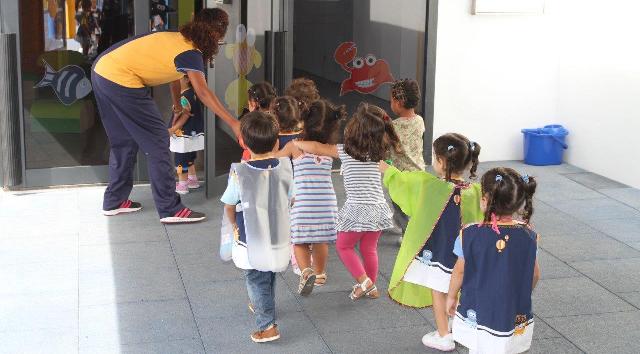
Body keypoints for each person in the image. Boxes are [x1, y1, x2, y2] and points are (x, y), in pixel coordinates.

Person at [92, 8, 239, 223]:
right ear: (216, 35)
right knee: (159, 141)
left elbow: (173, 74)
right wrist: (233, 122)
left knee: (123, 141)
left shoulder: (177, 38)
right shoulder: (192, 53)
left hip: (102, 69)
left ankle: (114, 200)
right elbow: (203, 93)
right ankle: (170, 208)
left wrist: (177, 104)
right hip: (121, 79)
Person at [380, 133, 483, 351]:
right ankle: (458, 325)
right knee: (460, 291)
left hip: (438, 255)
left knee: (439, 292)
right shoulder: (474, 192)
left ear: (442, 162)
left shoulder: (430, 186)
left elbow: (404, 182)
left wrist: (388, 171)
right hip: (463, 259)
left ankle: (444, 335)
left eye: (435, 157)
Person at [294, 103, 401, 300]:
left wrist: (296, 143)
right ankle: (371, 286)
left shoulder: (344, 151)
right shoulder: (378, 155)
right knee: (369, 249)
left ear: (354, 131)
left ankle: (364, 281)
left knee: (344, 246)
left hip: (357, 209)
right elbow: (393, 173)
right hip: (378, 208)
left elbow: (317, 147)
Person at [447, 168, 540, 354]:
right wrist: (520, 293)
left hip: (479, 305)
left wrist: (451, 296)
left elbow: (459, 271)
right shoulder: (529, 235)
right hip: (512, 307)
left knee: (480, 345)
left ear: (484, 200)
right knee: (509, 345)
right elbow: (535, 274)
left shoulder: (469, 234)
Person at [220, 111, 294, 343]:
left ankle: (267, 326)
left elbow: (229, 204)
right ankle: (265, 305)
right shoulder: (285, 167)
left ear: (243, 142)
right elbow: (291, 198)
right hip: (278, 232)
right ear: (276, 142)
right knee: (268, 272)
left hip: (252, 237)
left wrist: (233, 224)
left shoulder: (239, 173)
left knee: (255, 277)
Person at [276, 99, 345, 295]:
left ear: (304, 122)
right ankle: (320, 273)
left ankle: (306, 271)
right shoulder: (331, 148)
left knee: (299, 241)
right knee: (321, 240)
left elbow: (276, 161)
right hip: (326, 203)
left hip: (303, 202)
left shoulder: (294, 146)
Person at [388, 79, 425, 242]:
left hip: (400, 175)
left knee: (399, 203)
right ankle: (402, 224)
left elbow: (389, 146)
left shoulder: (392, 126)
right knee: (412, 204)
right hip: (418, 171)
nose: (390, 103)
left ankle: (407, 233)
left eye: (391, 100)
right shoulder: (420, 120)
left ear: (399, 102)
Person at [168, 75, 203, 195]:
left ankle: (182, 184)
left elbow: (185, 115)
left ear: (187, 80)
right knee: (189, 156)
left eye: (179, 77)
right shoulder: (193, 93)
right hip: (193, 134)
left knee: (180, 159)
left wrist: (173, 128)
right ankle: (192, 179)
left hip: (183, 134)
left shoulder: (183, 96)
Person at [239, 82, 277, 160]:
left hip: (251, 160)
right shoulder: (278, 120)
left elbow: (243, 142)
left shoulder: (249, 123)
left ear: (253, 103)